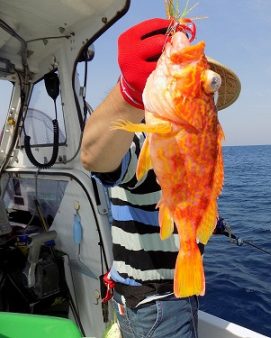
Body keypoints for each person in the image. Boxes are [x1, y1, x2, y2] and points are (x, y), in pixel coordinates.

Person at [80, 18, 240, 338]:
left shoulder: (193, 142)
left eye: (207, 86)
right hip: (157, 306)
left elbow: (195, 194)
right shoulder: (145, 137)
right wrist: (128, 92)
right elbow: (97, 160)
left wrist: (207, 226)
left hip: (166, 296)